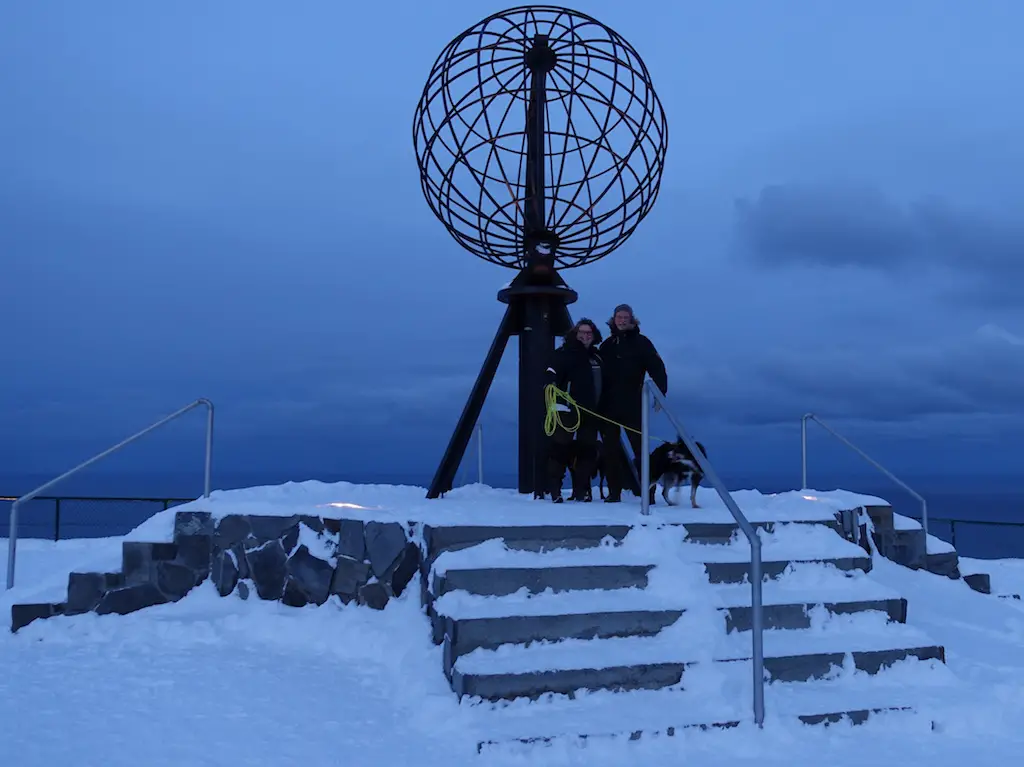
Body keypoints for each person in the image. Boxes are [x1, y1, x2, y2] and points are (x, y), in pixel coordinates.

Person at [598, 303, 668, 503]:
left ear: (631, 320)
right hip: (608, 406)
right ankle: (614, 493)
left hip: (633, 405)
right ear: (614, 320)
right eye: (619, 317)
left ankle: (649, 494)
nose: (622, 320)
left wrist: (660, 394)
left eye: (625, 317)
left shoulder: (642, 343)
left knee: (640, 451)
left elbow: (657, 367)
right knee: (610, 451)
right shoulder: (607, 345)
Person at [544, 318, 604, 503]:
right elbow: (551, 371)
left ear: (593, 336)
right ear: (575, 334)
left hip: (591, 411)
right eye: (582, 332)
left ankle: (583, 489)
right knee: (561, 448)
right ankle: (555, 489)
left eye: (589, 333)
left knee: (587, 450)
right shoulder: (563, 353)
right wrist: (550, 382)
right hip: (566, 410)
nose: (585, 336)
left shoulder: (596, 357)